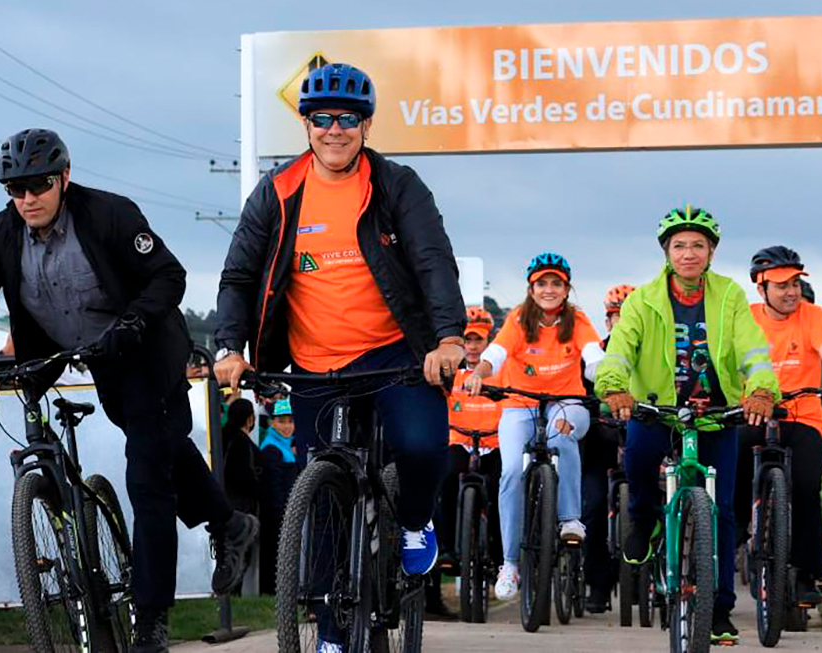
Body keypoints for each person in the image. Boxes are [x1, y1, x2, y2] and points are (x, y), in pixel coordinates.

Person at [0, 128, 258, 653]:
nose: (28, 199)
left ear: (64, 178)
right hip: (69, 354)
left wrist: (134, 323)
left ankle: (152, 619)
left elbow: (169, 276)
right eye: (15, 189)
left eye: (39, 185)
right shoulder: (1, 234)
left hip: (142, 352)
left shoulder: (109, 215)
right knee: (162, 448)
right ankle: (228, 522)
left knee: (147, 475)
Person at [212, 62, 465, 652]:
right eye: (321, 119)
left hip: (395, 354)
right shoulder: (276, 192)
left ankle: (413, 520)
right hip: (314, 365)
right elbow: (239, 276)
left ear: (367, 126)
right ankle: (328, 635)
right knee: (318, 498)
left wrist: (448, 338)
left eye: (347, 119)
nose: (334, 130)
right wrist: (229, 346)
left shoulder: (398, 185)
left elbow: (432, 262)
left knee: (425, 447)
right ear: (304, 125)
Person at [595, 206, 779, 645]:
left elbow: (752, 348)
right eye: (679, 246)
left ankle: (718, 609)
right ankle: (643, 519)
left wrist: (761, 389)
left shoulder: (730, 295)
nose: (689, 253)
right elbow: (620, 349)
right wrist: (615, 387)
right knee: (639, 457)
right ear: (667, 252)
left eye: (698, 245)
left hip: (715, 412)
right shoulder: (643, 299)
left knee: (723, 508)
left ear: (711, 252)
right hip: (657, 407)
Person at [464, 253, 602, 600]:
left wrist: (609, 381)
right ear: (531, 288)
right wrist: (479, 375)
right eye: (542, 283)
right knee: (510, 471)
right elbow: (495, 354)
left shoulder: (578, 318)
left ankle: (570, 519)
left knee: (562, 430)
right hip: (519, 404)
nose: (549, 289)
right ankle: (510, 564)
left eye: (556, 283)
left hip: (566, 402)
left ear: (567, 288)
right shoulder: (517, 318)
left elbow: (594, 356)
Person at [735, 245, 822, 604]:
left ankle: (806, 574)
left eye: (795, 283)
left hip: (803, 413)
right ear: (761, 289)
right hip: (756, 409)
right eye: (781, 285)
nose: (791, 292)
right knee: (737, 455)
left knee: (806, 488)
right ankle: (739, 527)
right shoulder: (746, 317)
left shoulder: (813, 314)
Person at [431, 306, 502, 618]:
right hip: (459, 441)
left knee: (503, 489)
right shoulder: (450, 374)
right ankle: (447, 549)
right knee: (446, 480)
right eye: (468, 340)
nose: (473, 347)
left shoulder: (499, 372)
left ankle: (500, 557)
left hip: (493, 443)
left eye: (479, 340)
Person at [579, 283, 635, 613]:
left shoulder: (652, 355)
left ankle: (643, 574)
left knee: (655, 500)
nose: (622, 324)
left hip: (637, 436)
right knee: (594, 506)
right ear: (608, 321)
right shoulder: (593, 354)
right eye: (616, 317)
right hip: (601, 439)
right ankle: (597, 584)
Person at [258, 398, 298, 595]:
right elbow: (273, 489)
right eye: (281, 421)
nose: (287, 427)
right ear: (272, 422)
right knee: (275, 556)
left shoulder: (287, 447)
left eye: (290, 421)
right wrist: (281, 516)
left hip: (288, 512)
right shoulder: (271, 449)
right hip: (277, 516)